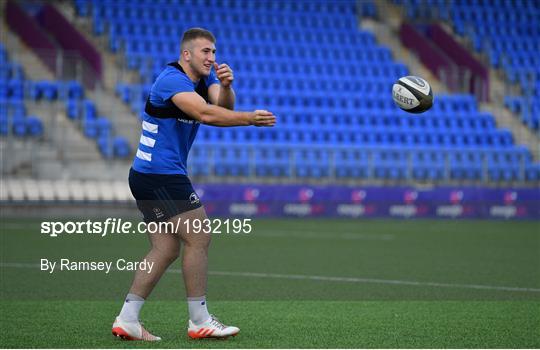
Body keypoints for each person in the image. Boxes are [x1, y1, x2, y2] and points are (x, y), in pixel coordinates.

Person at [111, 27, 276, 341]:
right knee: (199, 237)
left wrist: (226, 85)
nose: (211, 58)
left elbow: (222, 105)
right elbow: (205, 114)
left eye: (214, 52)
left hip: (148, 175)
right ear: (186, 54)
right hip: (160, 174)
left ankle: (128, 318)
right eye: (205, 52)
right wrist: (250, 118)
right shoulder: (171, 79)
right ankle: (199, 319)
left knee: (165, 248)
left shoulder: (207, 79)